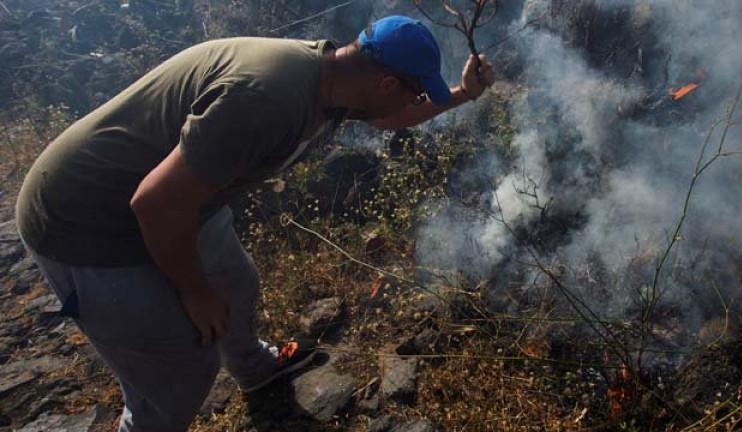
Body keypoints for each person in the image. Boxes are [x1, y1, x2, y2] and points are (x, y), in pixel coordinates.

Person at [15, 15, 494, 431]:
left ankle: (255, 369)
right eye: (413, 91)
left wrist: (462, 95)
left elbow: (392, 119)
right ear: (388, 84)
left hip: (184, 195)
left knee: (236, 281)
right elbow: (156, 204)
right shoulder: (268, 98)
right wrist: (194, 292)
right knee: (179, 369)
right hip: (84, 217)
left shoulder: (336, 79)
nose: (409, 103)